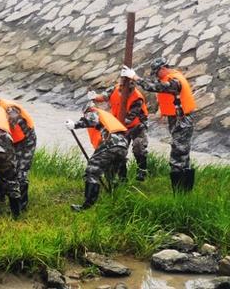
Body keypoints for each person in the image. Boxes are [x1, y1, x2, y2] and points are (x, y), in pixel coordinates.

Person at [121, 57, 197, 192]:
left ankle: (180, 193)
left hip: (182, 121)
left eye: (156, 72)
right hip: (179, 119)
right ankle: (185, 192)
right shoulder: (170, 77)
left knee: (177, 157)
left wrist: (135, 77)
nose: (156, 75)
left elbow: (155, 87)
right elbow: (164, 92)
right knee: (183, 155)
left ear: (163, 68)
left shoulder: (174, 81)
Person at [65, 102, 128, 211]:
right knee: (111, 172)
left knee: (92, 171)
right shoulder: (106, 115)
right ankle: (116, 198)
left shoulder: (93, 112)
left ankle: (87, 206)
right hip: (123, 145)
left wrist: (74, 124)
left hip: (110, 143)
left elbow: (91, 120)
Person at [88, 79, 149, 181]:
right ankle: (122, 177)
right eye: (120, 87)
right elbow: (103, 97)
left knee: (139, 146)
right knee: (119, 150)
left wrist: (107, 124)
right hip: (118, 124)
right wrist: (94, 97)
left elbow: (128, 120)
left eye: (124, 89)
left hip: (137, 126)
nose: (121, 90)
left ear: (131, 89)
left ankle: (141, 170)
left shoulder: (137, 98)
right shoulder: (115, 89)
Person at [0, 96, 36, 210]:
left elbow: (7, 125)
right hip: (11, 140)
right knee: (2, 167)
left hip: (26, 141)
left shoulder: (9, 109)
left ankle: (21, 205)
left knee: (21, 172)